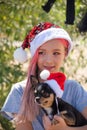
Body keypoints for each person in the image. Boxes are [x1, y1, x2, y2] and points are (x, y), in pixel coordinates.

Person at [1, 22, 87, 130]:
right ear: (34, 55)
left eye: (56, 53)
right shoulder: (20, 92)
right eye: (41, 53)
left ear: (65, 53)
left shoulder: (73, 89)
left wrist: (65, 129)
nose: (49, 60)